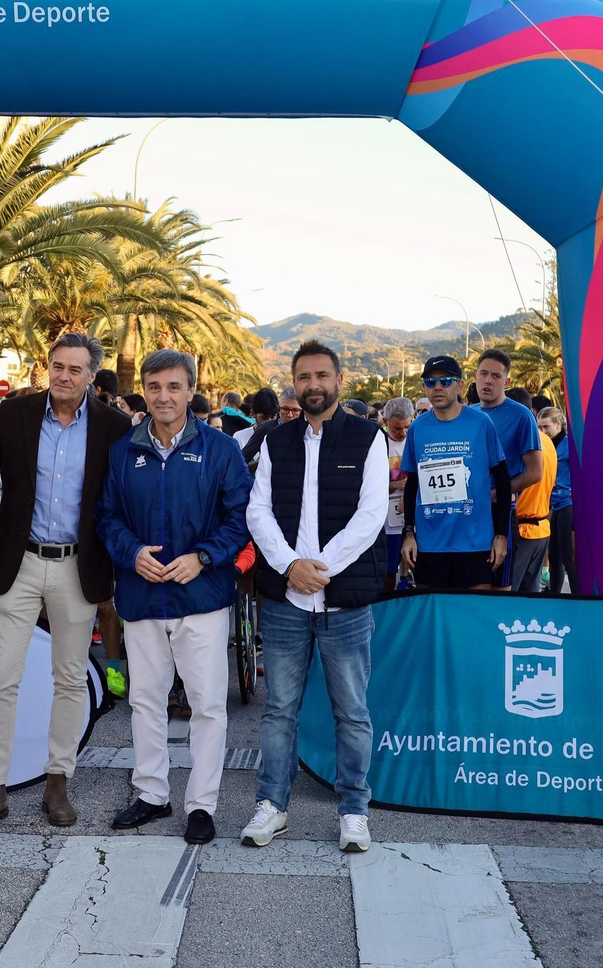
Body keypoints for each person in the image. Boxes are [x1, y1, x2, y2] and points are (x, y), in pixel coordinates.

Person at [0, 333, 132, 833]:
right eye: (56, 366)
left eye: (74, 369)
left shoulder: (114, 426)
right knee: (1, 678)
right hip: (16, 564)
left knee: (69, 678)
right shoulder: (15, 415)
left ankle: (57, 780)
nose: (64, 376)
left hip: (77, 567)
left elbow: (120, 496)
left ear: (91, 376)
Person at [95, 350, 252, 845]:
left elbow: (241, 518)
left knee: (207, 705)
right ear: (144, 390)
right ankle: (151, 795)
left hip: (200, 597)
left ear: (190, 391)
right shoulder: (124, 452)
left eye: (174, 387)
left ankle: (202, 805)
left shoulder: (221, 450)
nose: (164, 396)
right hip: (142, 597)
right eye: (155, 386)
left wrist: (203, 557)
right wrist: (131, 551)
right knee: (144, 701)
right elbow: (107, 517)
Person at [244, 339, 386, 854]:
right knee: (279, 709)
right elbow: (257, 511)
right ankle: (273, 805)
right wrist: (289, 566)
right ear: (295, 382)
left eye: (322, 376)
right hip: (285, 601)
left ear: (339, 381)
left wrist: (319, 570)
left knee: (352, 712)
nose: (313, 385)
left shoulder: (367, 438)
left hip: (343, 600)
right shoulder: (274, 441)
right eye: (304, 377)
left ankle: (353, 810)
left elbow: (371, 516)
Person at [399, 358, 511, 590]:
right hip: (430, 545)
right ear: (424, 388)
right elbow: (412, 485)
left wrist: (501, 535)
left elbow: (502, 479)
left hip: (475, 542)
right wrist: (408, 533)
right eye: (431, 382)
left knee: (472, 617)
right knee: (434, 620)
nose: (438, 387)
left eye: (445, 381)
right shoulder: (418, 428)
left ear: (459, 385)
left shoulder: (481, 423)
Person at [472, 349, 543, 589]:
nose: (488, 380)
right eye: (483, 374)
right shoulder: (466, 414)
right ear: (475, 376)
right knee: (470, 587)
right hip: (467, 514)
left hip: (500, 514)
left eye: (495, 375)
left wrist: (498, 493)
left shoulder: (522, 416)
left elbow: (535, 472)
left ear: (507, 381)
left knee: (501, 590)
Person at [510, 401, 558, 593]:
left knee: (508, 593)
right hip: (541, 529)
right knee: (531, 595)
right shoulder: (546, 441)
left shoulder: (521, 442)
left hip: (522, 529)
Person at [538, 407, 576, 594]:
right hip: (554, 504)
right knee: (553, 555)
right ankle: (555, 594)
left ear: (558, 425)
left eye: (546, 427)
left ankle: (578, 597)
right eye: (539, 427)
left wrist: (576, 491)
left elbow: (584, 470)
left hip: (567, 504)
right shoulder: (546, 445)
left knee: (567, 556)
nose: (543, 432)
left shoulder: (568, 444)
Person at [379, 397, 415, 589]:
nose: (403, 433)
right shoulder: (377, 443)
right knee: (388, 568)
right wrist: (395, 485)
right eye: (396, 429)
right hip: (387, 519)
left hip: (412, 515)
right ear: (385, 422)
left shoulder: (416, 440)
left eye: (406, 427)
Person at [236, 387, 279, 457]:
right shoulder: (240, 437)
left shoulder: (283, 437)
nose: (269, 422)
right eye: (264, 418)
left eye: (273, 417)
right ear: (252, 413)